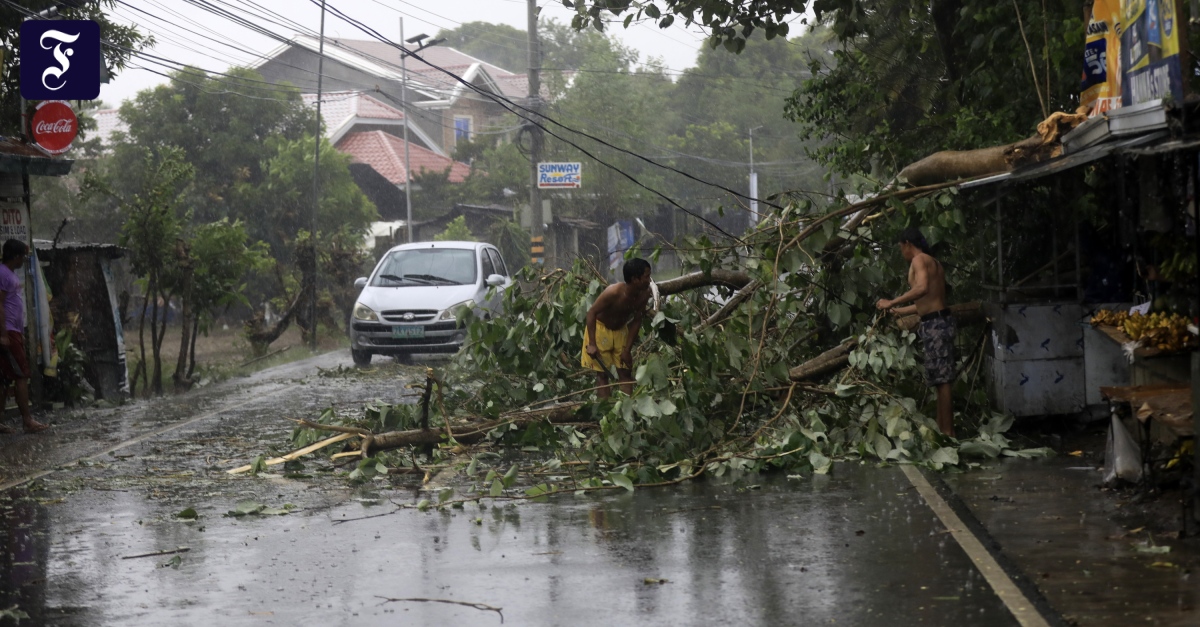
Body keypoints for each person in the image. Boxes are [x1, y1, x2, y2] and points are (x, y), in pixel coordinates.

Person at [875, 228, 955, 437]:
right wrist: (898, 310)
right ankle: (942, 428)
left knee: (943, 379)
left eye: (901, 248)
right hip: (936, 320)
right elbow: (925, 302)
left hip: (936, 323)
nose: (902, 253)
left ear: (907, 244)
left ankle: (948, 431)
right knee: (939, 379)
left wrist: (892, 301)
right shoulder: (932, 262)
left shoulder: (919, 260)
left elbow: (922, 289)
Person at [583, 258, 652, 398]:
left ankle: (626, 412)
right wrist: (592, 344)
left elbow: (637, 320)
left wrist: (627, 350)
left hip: (620, 330)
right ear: (635, 279)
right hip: (600, 329)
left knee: (625, 371)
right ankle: (606, 413)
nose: (649, 280)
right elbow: (591, 313)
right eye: (646, 277)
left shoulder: (644, 294)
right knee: (602, 375)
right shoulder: (613, 292)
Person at [0, 240, 48, 434]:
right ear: (16, 257)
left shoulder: (8, 274)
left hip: (12, 331)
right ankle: (27, 420)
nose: (23, 260)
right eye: (23, 256)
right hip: (8, 332)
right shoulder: (4, 273)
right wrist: (4, 334)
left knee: (3, 378)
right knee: (21, 375)